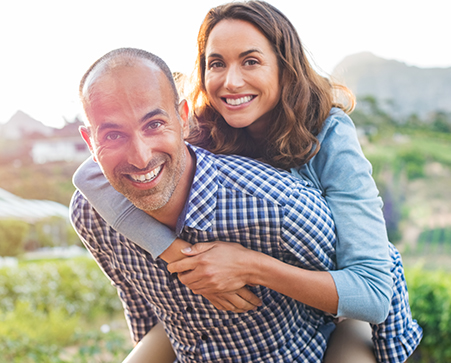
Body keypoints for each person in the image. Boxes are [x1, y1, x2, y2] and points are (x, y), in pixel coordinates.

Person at [73, 0, 422, 362]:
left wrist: (249, 265)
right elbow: (88, 175)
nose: (231, 81)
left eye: (250, 61)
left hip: (333, 305)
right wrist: (178, 256)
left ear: (284, 68)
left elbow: (371, 292)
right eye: (217, 64)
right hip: (229, 311)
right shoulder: (199, 128)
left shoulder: (329, 135)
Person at [72, 47, 347, 362]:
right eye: (113, 135)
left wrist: (256, 267)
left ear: (183, 118)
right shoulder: (90, 215)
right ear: (90, 142)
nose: (141, 157)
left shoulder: (279, 206)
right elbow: (141, 307)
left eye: (154, 125)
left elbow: (366, 289)